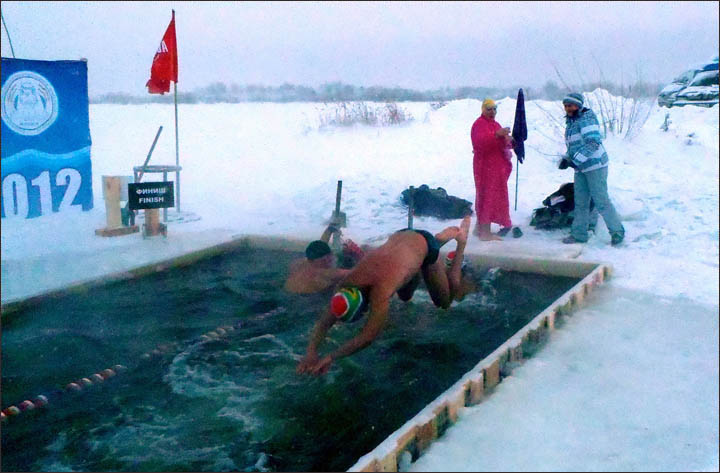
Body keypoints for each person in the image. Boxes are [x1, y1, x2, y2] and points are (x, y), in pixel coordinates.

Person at [296, 216, 471, 376]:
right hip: (402, 237)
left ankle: (459, 243)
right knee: (404, 296)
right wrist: (311, 352)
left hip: (424, 247)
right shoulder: (347, 284)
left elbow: (368, 336)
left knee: (444, 302)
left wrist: (331, 357)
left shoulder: (381, 290)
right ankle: (430, 244)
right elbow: (324, 322)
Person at [558, 92, 625, 246]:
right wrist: (567, 159)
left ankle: (617, 232)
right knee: (580, 202)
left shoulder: (586, 120)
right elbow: (574, 145)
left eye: (571, 105)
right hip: (581, 168)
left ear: (578, 106)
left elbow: (593, 143)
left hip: (595, 166)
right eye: (566, 106)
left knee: (601, 200)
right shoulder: (571, 122)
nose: (568, 108)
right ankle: (579, 234)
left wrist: (575, 160)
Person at [471, 98, 515, 241]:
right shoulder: (478, 124)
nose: (492, 112)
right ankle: (485, 233)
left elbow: (502, 143)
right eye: (489, 109)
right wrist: (496, 135)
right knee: (486, 197)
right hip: (485, 167)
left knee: (494, 197)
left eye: (494, 109)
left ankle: (479, 228)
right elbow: (479, 143)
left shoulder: (496, 124)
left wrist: (510, 140)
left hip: (496, 168)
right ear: (482, 110)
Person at [284, 224, 365, 294]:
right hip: (308, 300)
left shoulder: (301, 263)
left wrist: (329, 230)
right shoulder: (325, 274)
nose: (332, 258)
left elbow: (320, 245)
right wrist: (358, 256)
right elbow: (359, 273)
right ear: (326, 259)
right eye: (330, 257)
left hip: (287, 292)